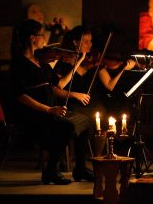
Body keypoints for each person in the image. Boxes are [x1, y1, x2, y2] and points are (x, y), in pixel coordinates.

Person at [10, 19, 94, 185]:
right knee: (67, 127)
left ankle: (80, 169)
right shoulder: (19, 63)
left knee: (85, 121)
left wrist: (77, 62)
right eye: (42, 35)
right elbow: (20, 96)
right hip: (33, 114)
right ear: (33, 38)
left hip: (50, 111)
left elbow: (59, 85)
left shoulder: (41, 61)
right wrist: (49, 110)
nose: (45, 40)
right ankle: (50, 171)